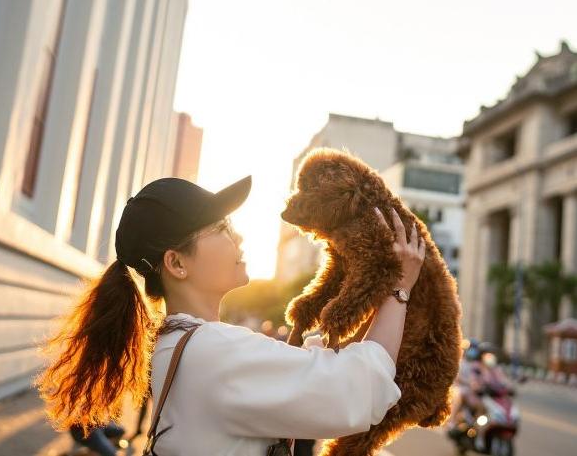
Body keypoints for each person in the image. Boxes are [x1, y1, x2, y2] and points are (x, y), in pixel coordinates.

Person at [35, 175, 426, 455]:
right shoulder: (213, 350)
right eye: (220, 227)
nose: (237, 237)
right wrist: (399, 287)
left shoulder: (180, 343)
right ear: (176, 263)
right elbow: (358, 393)